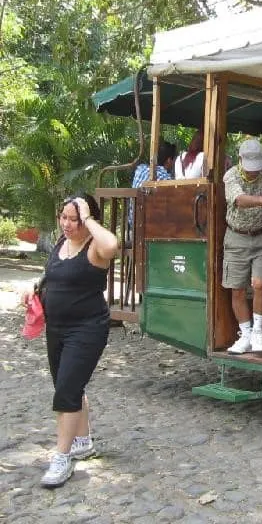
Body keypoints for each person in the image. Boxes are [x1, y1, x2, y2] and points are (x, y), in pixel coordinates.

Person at [21, 194, 119, 488]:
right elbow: (52, 276)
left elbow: (113, 246)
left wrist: (88, 220)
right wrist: (34, 289)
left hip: (87, 329)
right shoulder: (60, 244)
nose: (66, 224)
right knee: (69, 386)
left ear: (88, 219)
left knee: (66, 390)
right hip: (57, 327)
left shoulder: (96, 248)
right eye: (62, 217)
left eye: (73, 219)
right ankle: (83, 441)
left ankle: (61, 459)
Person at [222, 139, 262, 354]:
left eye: (256, 168)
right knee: (237, 288)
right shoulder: (231, 176)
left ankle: (258, 331)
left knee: (260, 283)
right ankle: (245, 333)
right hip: (236, 237)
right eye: (249, 168)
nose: (252, 173)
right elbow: (239, 199)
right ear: (240, 160)